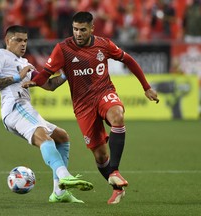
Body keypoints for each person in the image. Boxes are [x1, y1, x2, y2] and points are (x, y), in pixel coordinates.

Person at [22, 11, 159, 204]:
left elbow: (128, 60)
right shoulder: (63, 49)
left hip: (104, 93)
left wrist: (146, 87)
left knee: (117, 116)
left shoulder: (104, 44)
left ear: (92, 29)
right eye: (75, 29)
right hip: (83, 106)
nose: (78, 33)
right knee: (100, 155)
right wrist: (34, 81)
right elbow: (46, 74)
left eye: (83, 30)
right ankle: (117, 188)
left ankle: (115, 170)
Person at [0, 25, 93, 203]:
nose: (23, 44)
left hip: (25, 108)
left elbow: (48, 85)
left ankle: (59, 192)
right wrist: (17, 78)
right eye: (18, 40)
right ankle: (64, 175)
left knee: (62, 137)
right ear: (7, 40)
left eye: (25, 40)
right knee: (45, 138)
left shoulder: (25, 63)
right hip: (15, 106)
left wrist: (65, 75)